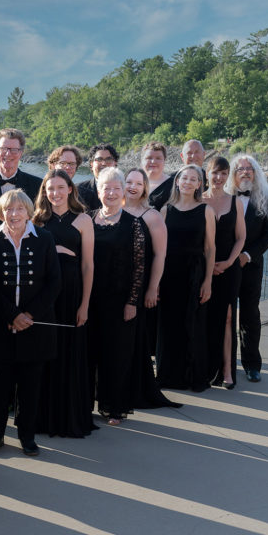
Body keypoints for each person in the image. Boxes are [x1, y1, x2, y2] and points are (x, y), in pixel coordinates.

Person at [0, 189, 61, 457]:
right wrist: (12, 315)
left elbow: (53, 283)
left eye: (18, 209)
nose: (12, 214)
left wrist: (29, 316)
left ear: (29, 211)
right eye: (7, 209)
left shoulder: (45, 239)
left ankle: (27, 436)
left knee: (30, 384)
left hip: (34, 325)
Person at [32, 169, 94, 437]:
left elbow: (89, 265)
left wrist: (85, 305)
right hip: (43, 295)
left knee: (70, 353)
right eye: (49, 189)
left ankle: (69, 416)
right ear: (44, 193)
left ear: (70, 189)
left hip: (71, 294)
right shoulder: (37, 221)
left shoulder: (83, 220)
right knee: (43, 353)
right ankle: (42, 417)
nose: (54, 193)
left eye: (60, 187)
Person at [88, 168, 147, 424]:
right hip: (90, 299)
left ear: (123, 192)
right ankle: (87, 402)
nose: (110, 193)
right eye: (106, 188)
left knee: (117, 354)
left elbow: (139, 266)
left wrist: (132, 302)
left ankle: (114, 407)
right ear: (98, 191)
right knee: (90, 353)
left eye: (115, 188)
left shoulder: (133, 223)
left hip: (120, 300)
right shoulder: (88, 219)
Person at [122, 168, 181, 411]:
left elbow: (160, 255)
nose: (133, 187)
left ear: (145, 187)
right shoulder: (111, 211)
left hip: (140, 286)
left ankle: (134, 389)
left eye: (138, 183)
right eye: (129, 182)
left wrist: (152, 288)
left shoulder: (152, 215)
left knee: (135, 340)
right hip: (112, 285)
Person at [156, 165, 216, 392]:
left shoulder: (206, 210)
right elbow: (159, 250)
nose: (188, 182)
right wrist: (156, 282)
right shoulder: (165, 210)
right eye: (185, 178)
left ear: (200, 184)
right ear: (177, 181)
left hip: (194, 274)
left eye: (194, 179)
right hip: (169, 273)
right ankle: (167, 375)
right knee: (168, 326)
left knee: (192, 325)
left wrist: (208, 280)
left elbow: (210, 248)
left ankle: (192, 377)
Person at [227, 155, 268, 383]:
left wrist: (248, 255)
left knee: (249, 315)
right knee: (225, 315)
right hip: (225, 267)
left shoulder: (267, 199)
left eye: (249, 169)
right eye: (240, 169)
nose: (245, 172)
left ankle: (252, 365)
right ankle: (225, 364)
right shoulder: (225, 198)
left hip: (251, 266)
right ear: (233, 174)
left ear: (256, 173)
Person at [203, 156, 246, 388]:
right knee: (205, 318)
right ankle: (205, 369)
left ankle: (227, 371)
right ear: (207, 174)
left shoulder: (235, 202)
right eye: (214, 173)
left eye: (223, 173)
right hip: (204, 270)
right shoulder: (199, 201)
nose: (218, 178)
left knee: (228, 319)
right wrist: (208, 268)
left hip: (229, 270)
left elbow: (241, 238)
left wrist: (229, 262)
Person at [0, 128, 43, 203]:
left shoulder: (37, 185)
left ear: (21, 153)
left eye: (14, 149)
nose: (8, 154)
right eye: (3, 148)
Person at [76, 144, 119, 210]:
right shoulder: (78, 191)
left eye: (108, 159)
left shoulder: (125, 190)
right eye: (99, 159)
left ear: (115, 163)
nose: (104, 163)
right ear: (91, 164)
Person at [143, 142, 175, 211]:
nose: (153, 161)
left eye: (158, 158)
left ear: (164, 161)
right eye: (149, 158)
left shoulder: (174, 185)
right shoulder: (132, 182)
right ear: (142, 160)